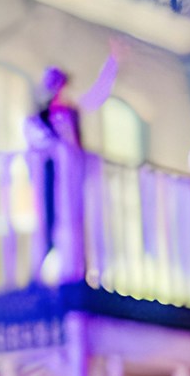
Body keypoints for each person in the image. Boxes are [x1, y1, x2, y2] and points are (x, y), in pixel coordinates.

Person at [24, 43, 121, 283]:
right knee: (51, 226)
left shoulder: (69, 114)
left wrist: (113, 64)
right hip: (51, 178)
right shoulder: (39, 121)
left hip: (74, 179)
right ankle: (47, 275)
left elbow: (94, 97)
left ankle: (78, 273)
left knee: (78, 226)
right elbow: (39, 145)